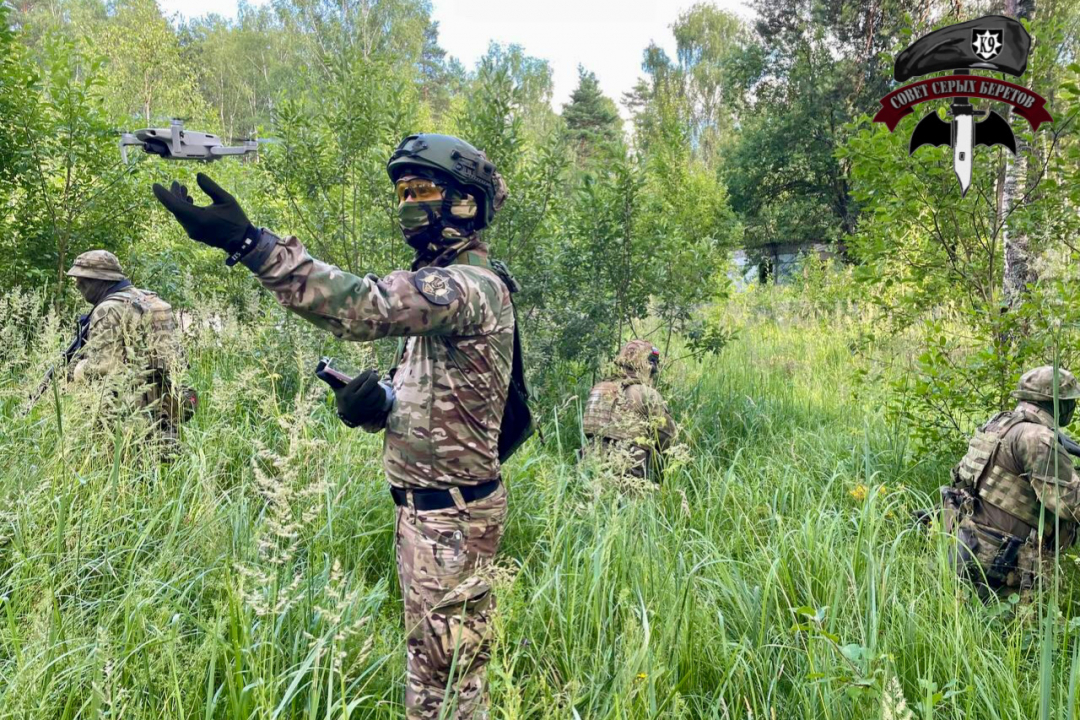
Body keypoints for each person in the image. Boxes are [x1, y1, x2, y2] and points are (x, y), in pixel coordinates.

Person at [152, 133, 515, 719]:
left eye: (423, 190)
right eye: (401, 192)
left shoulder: (467, 285)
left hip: (452, 516)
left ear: (465, 203)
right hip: (430, 511)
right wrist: (383, 406)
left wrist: (252, 244)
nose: (408, 205)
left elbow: (364, 306)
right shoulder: (450, 291)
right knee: (433, 670)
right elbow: (449, 399)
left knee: (446, 690)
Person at [943, 365, 1080, 599]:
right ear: (1059, 403)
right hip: (1004, 564)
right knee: (1013, 633)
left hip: (970, 541)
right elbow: (1069, 505)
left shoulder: (1000, 424)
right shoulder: (1037, 438)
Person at [65, 250, 188, 444]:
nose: (78, 285)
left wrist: (77, 371)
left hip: (127, 415)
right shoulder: (149, 299)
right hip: (165, 404)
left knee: (119, 470)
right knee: (164, 466)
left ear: (101, 280)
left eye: (83, 279)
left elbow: (106, 367)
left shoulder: (108, 309)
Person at [580, 340, 676, 481]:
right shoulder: (646, 394)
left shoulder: (599, 389)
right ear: (649, 367)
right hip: (627, 478)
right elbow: (668, 440)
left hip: (589, 471)